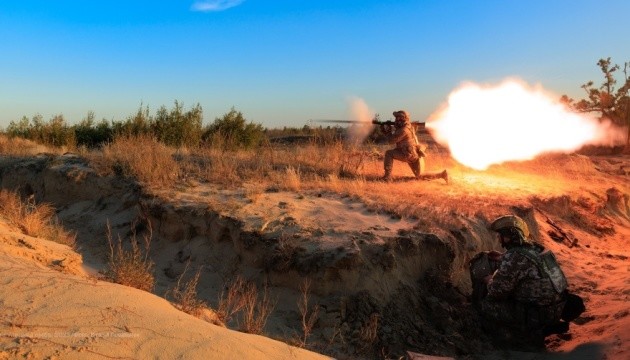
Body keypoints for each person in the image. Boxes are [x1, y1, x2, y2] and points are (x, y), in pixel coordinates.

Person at [469, 215, 583, 346]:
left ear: (508, 236)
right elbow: (528, 266)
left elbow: (496, 292)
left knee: (484, 305)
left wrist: (488, 279)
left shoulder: (514, 257)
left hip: (536, 316)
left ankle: (517, 337)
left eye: (500, 235)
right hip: (556, 310)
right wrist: (503, 258)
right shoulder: (537, 249)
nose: (498, 238)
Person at [381, 110, 448, 183]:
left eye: (399, 118)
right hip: (414, 153)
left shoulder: (404, 130)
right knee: (419, 176)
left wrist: (387, 132)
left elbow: (391, 141)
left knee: (389, 153)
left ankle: (387, 177)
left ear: (404, 119)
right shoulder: (409, 126)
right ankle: (442, 174)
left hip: (408, 154)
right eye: (396, 118)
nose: (397, 119)